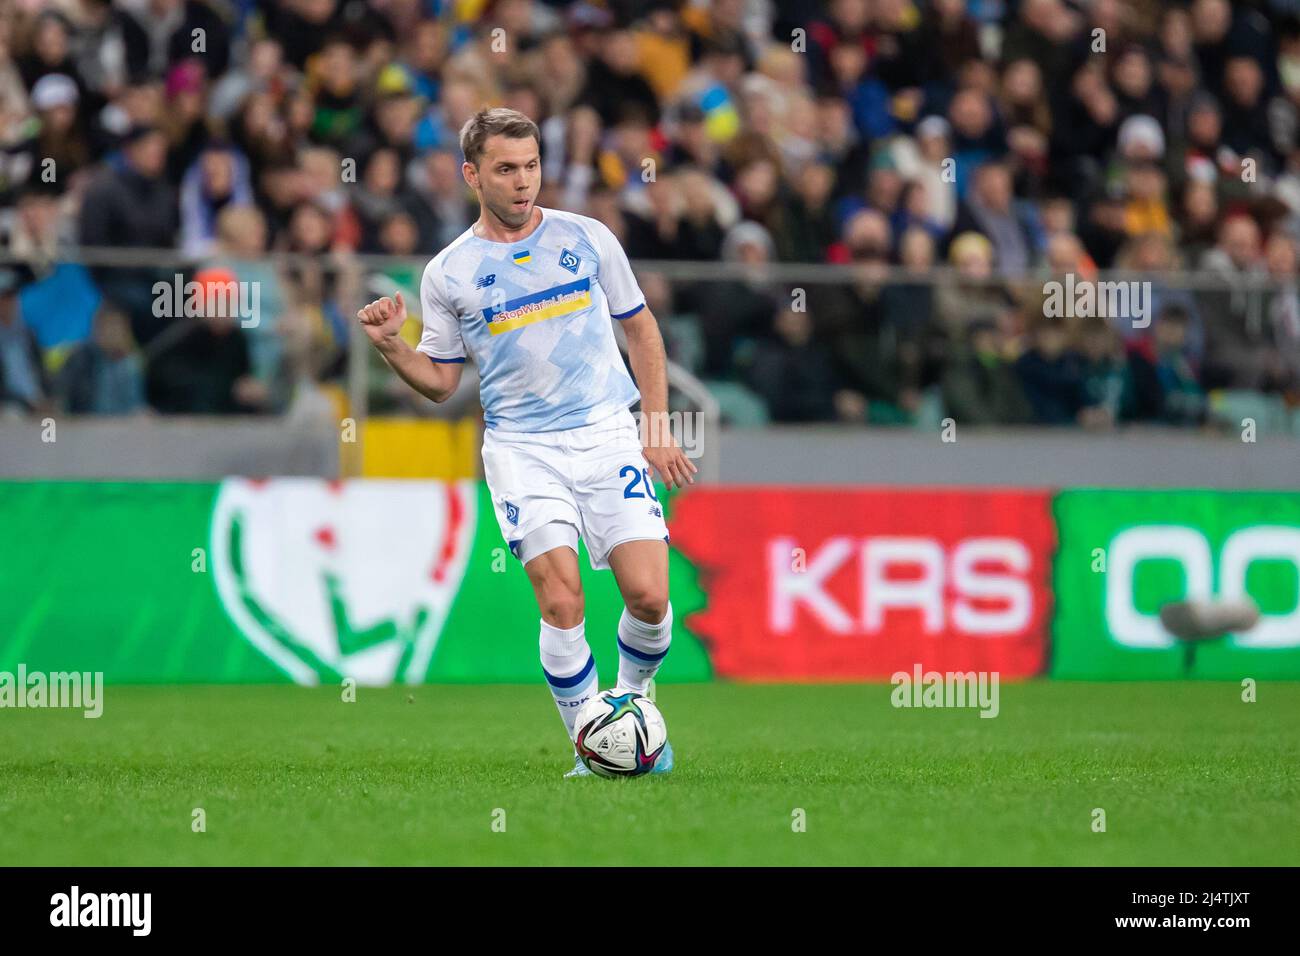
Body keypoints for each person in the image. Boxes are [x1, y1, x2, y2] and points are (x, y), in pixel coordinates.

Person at [356, 108, 694, 777]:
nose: (522, 182)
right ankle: (592, 745)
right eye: (506, 169)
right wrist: (393, 346)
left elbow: (643, 331)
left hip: (607, 435)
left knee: (650, 598)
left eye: (531, 166)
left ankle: (628, 706)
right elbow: (441, 384)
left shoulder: (588, 237)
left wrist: (654, 428)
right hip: (522, 450)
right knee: (562, 597)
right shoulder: (449, 272)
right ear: (472, 174)